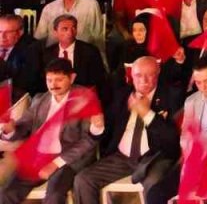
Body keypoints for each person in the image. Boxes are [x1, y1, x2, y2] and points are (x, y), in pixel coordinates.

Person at [72, 56, 184, 204]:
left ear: (158, 73)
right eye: (138, 75)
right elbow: (106, 127)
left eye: (149, 75)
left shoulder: (171, 96)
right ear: (131, 75)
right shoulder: (122, 95)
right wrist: (97, 125)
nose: (143, 80)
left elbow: (172, 139)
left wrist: (147, 113)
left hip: (154, 158)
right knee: (83, 180)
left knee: (154, 185)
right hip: (122, 157)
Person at [0, 59, 106, 204]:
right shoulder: (40, 100)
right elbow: (23, 127)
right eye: (49, 80)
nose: (53, 85)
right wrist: (10, 130)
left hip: (68, 159)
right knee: (6, 193)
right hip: (39, 156)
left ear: (72, 78)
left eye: (59, 80)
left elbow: (88, 141)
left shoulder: (84, 98)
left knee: (54, 196)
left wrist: (55, 163)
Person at [34, 0, 104, 49]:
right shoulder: (49, 8)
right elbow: (39, 37)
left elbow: (98, 36)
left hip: (81, 54)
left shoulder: (90, 5)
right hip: (54, 55)